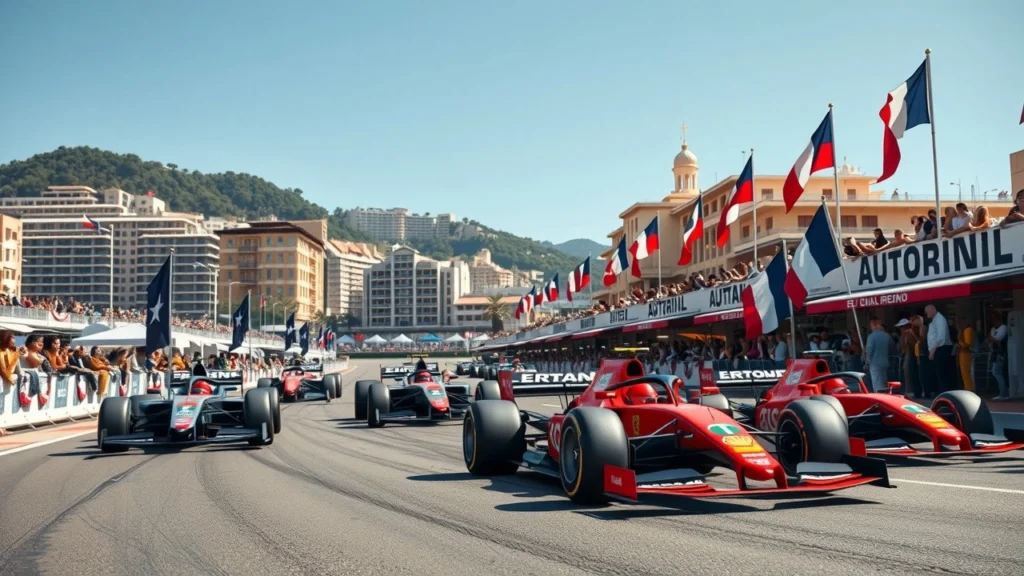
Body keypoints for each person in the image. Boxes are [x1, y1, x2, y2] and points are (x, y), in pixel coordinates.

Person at [925, 305, 954, 393]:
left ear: (933, 310)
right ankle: (940, 392)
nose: (926, 314)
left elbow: (941, 337)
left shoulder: (940, 319)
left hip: (941, 349)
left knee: (942, 374)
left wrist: (933, 351)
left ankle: (944, 393)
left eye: (927, 312)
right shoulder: (935, 320)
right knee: (938, 373)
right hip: (937, 349)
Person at [865, 318, 891, 392]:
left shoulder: (871, 336)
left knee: (877, 384)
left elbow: (869, 350)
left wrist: (868, 360)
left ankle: (879, 397)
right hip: (885, 361)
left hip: (875, 362)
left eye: (871, 325)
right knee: (884, 382)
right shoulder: (886, 335)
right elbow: (891, 347)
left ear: (874, 325)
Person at [897, 318, 921, 398]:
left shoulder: (906, 334)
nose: (900, 329)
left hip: (909, 355)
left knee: (908, 373)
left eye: (901, 327)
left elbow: (903, 347)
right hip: (912, 355)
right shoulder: (912, 333)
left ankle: (910, 391)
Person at [989, 313, 1009, 401]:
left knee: (997, 372)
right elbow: (990, 340)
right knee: (996, 372)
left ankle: (1003, 393)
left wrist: (992, 338)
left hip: (1000, 353)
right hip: (995, 353)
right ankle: (1003, 392)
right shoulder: (993, 329)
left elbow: (997, 340)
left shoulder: (1003, 327)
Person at [954, 316, 975, 392]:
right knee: (964, 372)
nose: (959, 324)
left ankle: (970, 389)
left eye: (960, 322)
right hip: (962, 353)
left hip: (966, 353)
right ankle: (967, 388)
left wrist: (959, 343)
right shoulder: (963, 330)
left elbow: (967, 344)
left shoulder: (968, 330)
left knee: (966, 372)